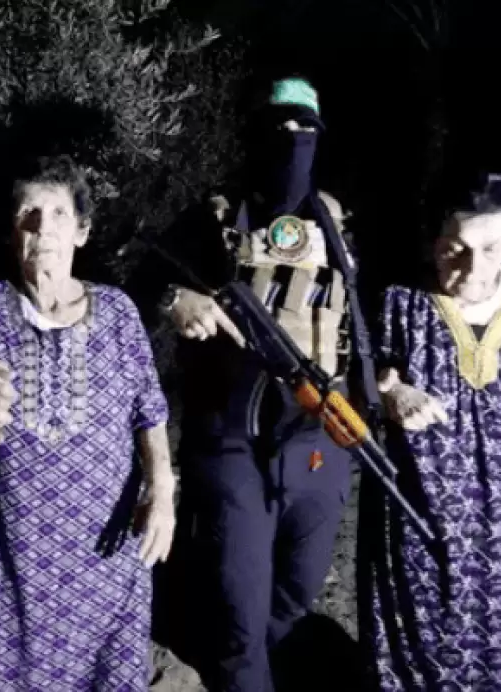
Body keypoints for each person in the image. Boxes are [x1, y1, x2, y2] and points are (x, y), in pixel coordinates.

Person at [129, 76, 381, 692]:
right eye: (279, 128)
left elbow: (367, 324)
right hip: (231, 438)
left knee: (295, 594)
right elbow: (137, 283)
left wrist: (386, 384)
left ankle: (242, 658)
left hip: (320, 438)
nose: (292, 141)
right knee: (239, 612)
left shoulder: (339, 227)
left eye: (305, 130)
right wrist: (177, 298)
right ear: (254, 134)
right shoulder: (215, 217)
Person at [0, 154, 177, 690]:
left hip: (110, 555)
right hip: (18, 568)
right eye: (28, 214)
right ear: (12, 233)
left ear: (81, 232)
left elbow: (150, 407)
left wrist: (161, 488)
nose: (42, 227)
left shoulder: (118, 313)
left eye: (58, 214)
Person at [358, 163, 501, 690]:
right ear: (434, 237)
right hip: (414, 511)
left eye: (491, 249)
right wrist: (394, 392)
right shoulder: (402, 299)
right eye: (455, 248)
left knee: (494, 641)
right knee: (408, 641)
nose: (472, 268)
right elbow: (370, 375)